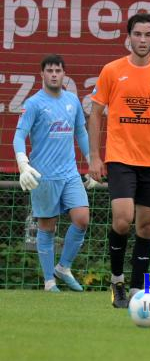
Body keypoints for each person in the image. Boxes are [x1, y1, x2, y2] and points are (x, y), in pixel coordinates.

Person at [88, 13, 150, 308]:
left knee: (147, 226)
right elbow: (95, 115)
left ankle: (136, 289)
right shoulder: (111, 71)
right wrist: (94, 156)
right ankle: (116, 281)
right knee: (122, 218)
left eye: (148, 35)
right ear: (128, 37)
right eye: (138, 34)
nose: (142, 40)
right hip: (120, 158)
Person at [13, 54, 97, 292]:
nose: (53, 74)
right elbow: (19, 136)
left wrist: (92, 161)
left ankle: (63, 267)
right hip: (44, 177)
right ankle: (49, 282)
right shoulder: (33, 103)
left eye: (58, 70)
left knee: (82, 219)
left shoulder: (72, 100)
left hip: (70, 173)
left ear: (64, 74)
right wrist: (22, 163)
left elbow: (80, 132)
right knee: (47, 227)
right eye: (49, 70)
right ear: (42, 74)